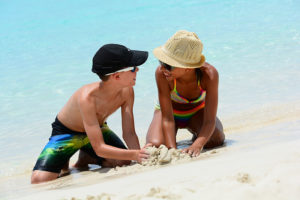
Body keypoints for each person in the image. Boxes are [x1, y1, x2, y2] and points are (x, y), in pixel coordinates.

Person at [31, 44, 150, 184]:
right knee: (39, 180)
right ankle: (69, 157)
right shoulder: (87, 98)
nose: (137, 70)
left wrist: (139, 156)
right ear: (117, 76)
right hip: (67, 133)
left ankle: (86, 157)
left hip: (96, 129)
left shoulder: (127, 91)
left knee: (123, 162)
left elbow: (129, 132)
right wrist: (134, 154)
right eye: (133, 68)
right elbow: (99, 148)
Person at [146, 30, 225, 157]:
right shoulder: (162, 74)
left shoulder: (209, 75)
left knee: (216, 140)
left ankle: (196, 136)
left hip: (196, 112)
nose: (162, 68)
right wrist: (172, 150)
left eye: (168, 65)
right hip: (168, 114)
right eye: (161, 62)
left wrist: (197, 145)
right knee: (156, 145)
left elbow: (209, 120)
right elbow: (167, 119)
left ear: (188, 67)